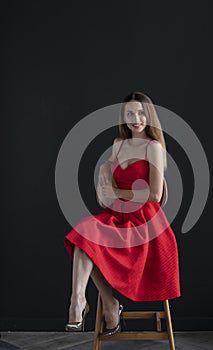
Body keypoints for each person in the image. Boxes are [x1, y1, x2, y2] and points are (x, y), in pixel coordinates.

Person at [64, 91, 181, 337]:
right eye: (129, 113)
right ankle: (80, 301)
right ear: (123, 117)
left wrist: (117, 190)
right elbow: (106, 180)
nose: (135, 118)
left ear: (149, 116)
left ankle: (108, 306)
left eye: (140, 113)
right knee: (84, 235)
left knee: (89, 241)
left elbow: (154, 195)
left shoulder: (154, 147)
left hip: (146, 224)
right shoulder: (118, 144)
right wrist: (105, 170)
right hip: (118, 215)